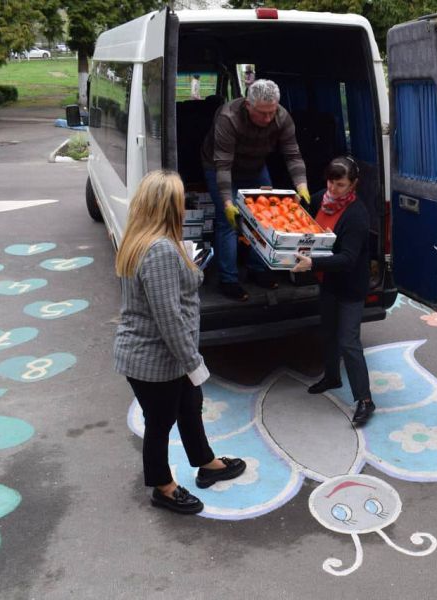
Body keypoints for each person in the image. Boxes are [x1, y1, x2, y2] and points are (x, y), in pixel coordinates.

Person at [114, 170, 246, 515]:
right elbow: (168, 319)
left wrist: (193, 267)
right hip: (156, 359)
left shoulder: (147, 240)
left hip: (160, 356)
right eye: (180, 201)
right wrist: (193, 363)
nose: (185, 207)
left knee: (190, 405)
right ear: (166, 206)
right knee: (160, 422)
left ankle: (206, 463)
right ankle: (163, 487)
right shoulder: (159, 250)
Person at [200, 79, 311, 301]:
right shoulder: (228, 118)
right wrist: (228, 203)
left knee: (263, 219)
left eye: (272, 112)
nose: (268, 118)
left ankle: (257, 269)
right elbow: (223, 165)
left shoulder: (281, 116)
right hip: (220, 167)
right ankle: (228, 280)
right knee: (229, 222)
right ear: (248, 105)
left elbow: (292, 154)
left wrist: (302, 185)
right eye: (262, 113)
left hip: (256, 167)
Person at [291, 156, 374, 426]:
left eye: (340, 185)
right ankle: (332, 377)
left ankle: (365, 400)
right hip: (328, 281)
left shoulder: (356, 215)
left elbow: (349, 259)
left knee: (349, 342)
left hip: (350, 285)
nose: (333, 189)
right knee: (327, 332)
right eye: (330, 182)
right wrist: (287, 201)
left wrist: (312, 263)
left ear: (353, 185)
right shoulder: (322, 198)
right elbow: (301, 208)